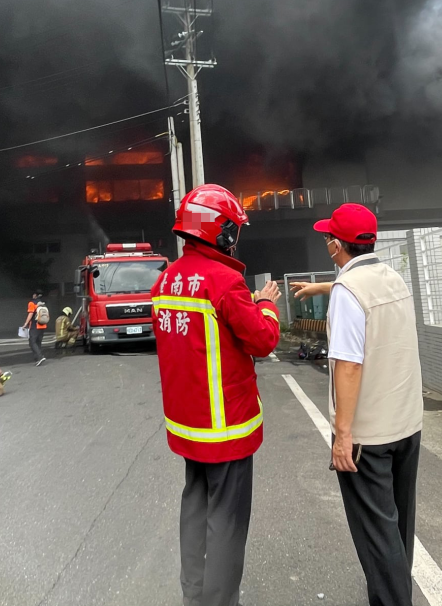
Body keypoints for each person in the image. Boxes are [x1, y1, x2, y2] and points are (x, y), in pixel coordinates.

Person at [152, 184, 282, 606]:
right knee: (227, 522)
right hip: (226, 428)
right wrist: (266, 305)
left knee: (195, 507)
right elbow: (262, 340)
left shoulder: (166, 280)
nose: (234, 238)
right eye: (232, 230)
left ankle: (194, 594)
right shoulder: (225, 281)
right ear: (220, 231)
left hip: (188, 425)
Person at [301, 203, 423, 606]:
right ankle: (394, 593)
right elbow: (357, 290)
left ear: (336, 245)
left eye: (327, 238)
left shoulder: (348, 293)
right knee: (398, 527)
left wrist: (343, 436)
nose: (326, 243)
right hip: (407, 425)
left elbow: (349, 366)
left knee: (376, 534)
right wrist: (323, 288)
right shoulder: (392, 277)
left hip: (369, 437)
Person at [22, 292, 48, 366]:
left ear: (34, 295)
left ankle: (40, 357)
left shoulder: (32, 303)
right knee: (38, 342)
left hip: (35, 326)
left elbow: (30, 314)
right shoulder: (42, 303)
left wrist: (25, 324)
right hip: (43, 325)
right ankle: (37, 359)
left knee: (32, 342)